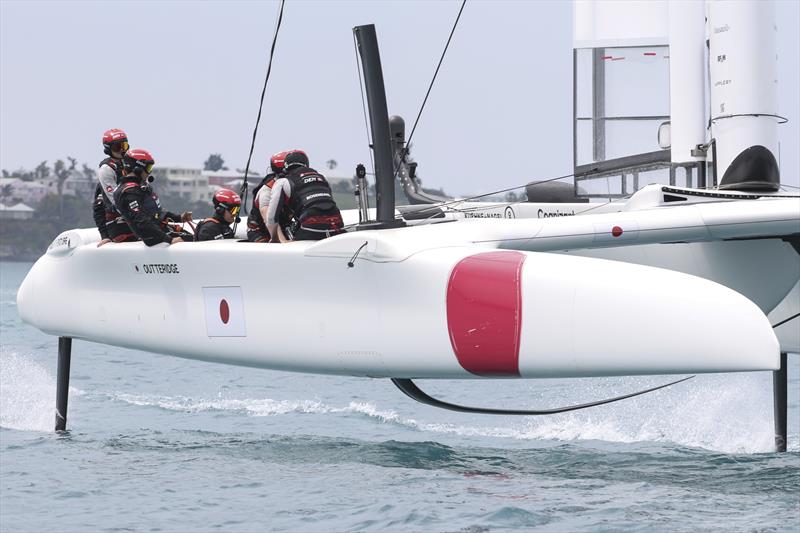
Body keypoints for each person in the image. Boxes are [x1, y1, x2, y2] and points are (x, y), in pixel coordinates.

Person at [114, 148, 192, 246]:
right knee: (196, 240)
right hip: (155, 238)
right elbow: (141, 221)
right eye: (148, 167)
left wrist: (179, 218)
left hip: (161, 231)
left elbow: (155, 212)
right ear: (138, 168)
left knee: (198, 237)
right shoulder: (129, 192)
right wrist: (169, 240)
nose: (149, 172)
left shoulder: (139, 186)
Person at [266, 150, 344, 241]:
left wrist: (275, 238)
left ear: (286, 167)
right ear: (306, 164)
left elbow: (271, 218)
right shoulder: (322, 177)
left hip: (311, 229)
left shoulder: (282, 182)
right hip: (337, 225)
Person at [95, 129, 136, 246]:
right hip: (120, 222)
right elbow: (99, 206)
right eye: (117, 147)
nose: (122, 150)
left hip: (138, 216)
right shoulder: (106, 169)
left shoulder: (132, 164)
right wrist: (104, 236)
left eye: (124, 145)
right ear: (108, 149)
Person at [247, 150, 289, 243]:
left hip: (283, 226)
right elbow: (269, 219)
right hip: (260, 231)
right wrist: (283, 241)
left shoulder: (290, 186)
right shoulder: (266, 191)